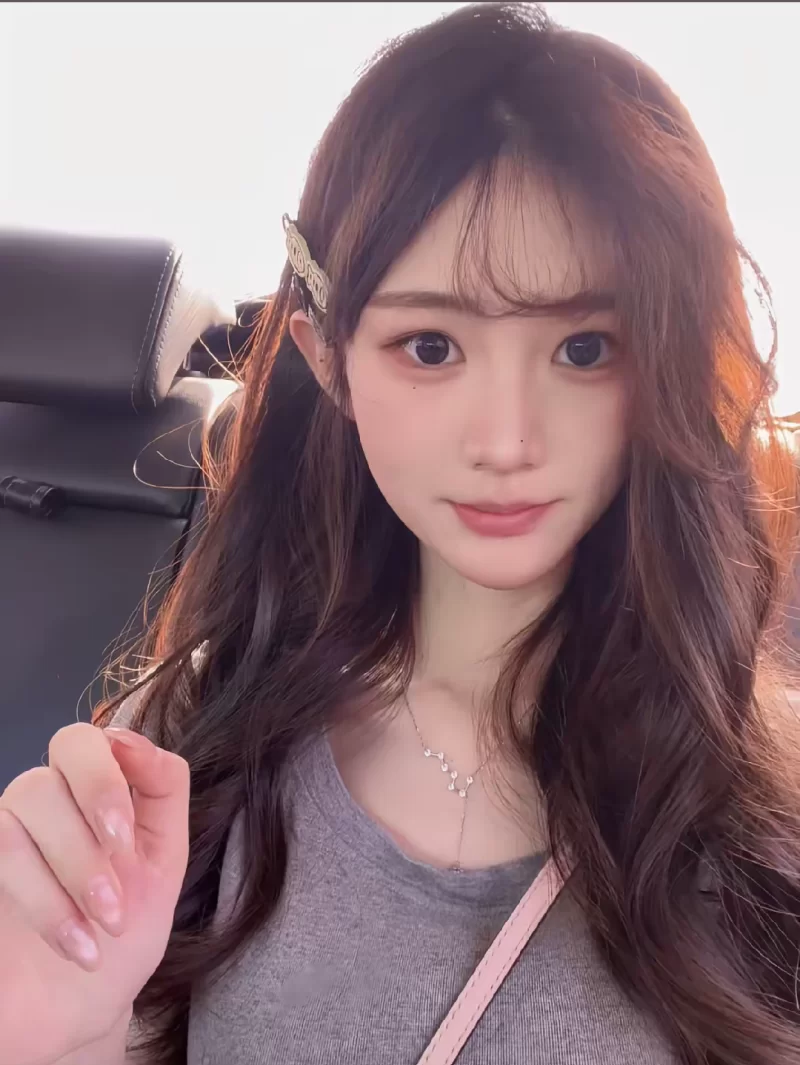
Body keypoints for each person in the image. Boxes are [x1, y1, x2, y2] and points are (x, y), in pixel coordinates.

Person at [1, 3, 799, 1064]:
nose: (506, 441)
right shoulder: (193, 737)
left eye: (583, 349)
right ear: (326, 358)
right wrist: (69, 1035)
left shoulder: (764, 818)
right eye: (430, 346)